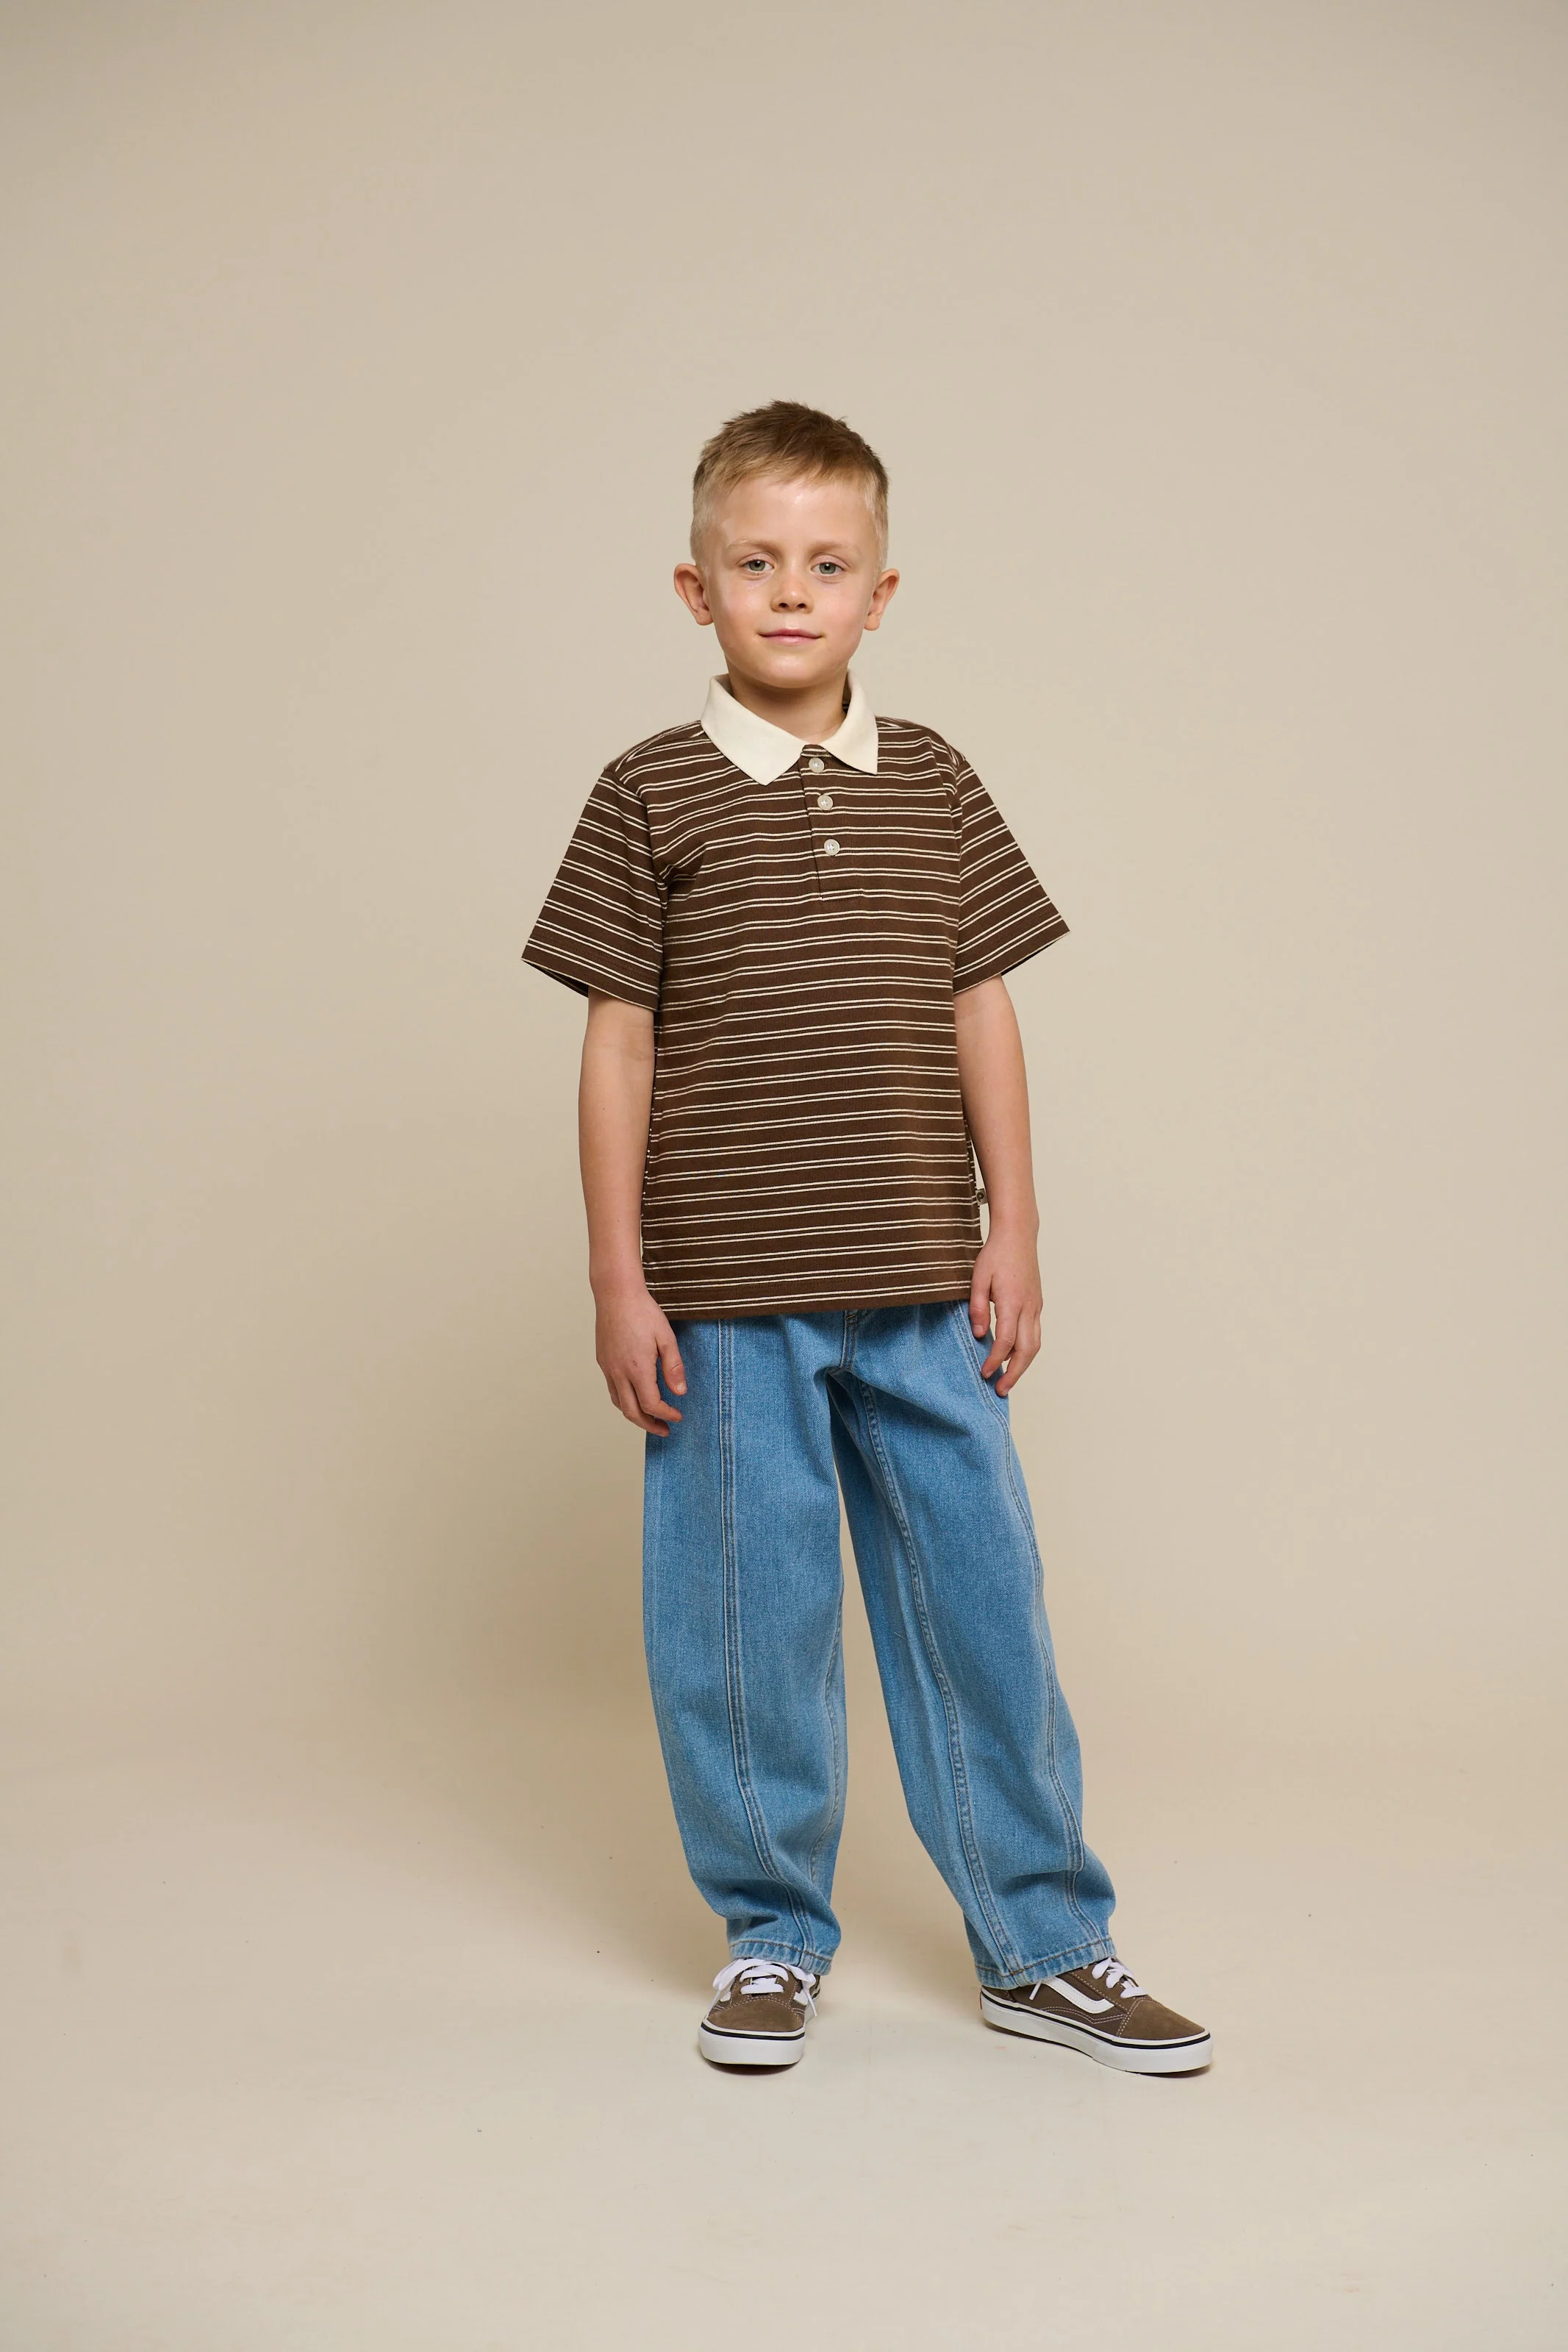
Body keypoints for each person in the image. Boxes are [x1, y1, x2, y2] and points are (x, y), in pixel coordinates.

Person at [522, 401, 1210, 2076]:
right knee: (746, 1635)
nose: (790, 592)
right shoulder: (648, 793)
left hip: (918, 1281)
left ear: (880, 593)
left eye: (827, 566)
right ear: (695, 589)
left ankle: (1043, 1944)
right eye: (754, 562)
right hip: (724, 1299)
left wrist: (1014, 1225)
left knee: (983, 1612)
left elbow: (982, 1008)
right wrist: (617, 1276)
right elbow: (616, 1045)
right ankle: (770, 1933)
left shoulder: (936, 780)